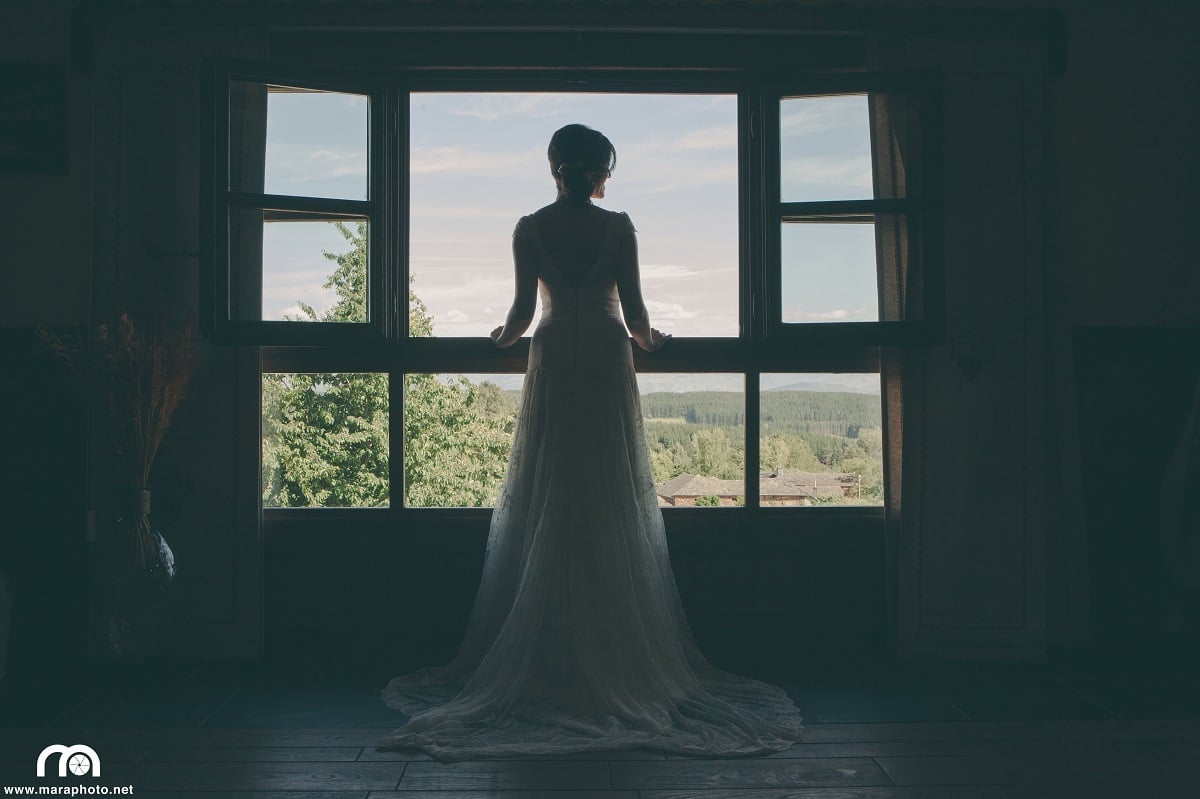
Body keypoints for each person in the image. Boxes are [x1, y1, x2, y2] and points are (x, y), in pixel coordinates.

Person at [378, 123, 804, 761]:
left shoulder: (529, 228)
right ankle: (611, 643)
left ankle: (549, 643)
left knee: (550, 486)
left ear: (553, 167)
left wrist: (501, 339)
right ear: (602, 171)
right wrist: (654, 342)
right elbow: (635, 316)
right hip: (605, 358)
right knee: (606, 488)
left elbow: (522, 314)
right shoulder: (618, 228)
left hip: (554, 357)